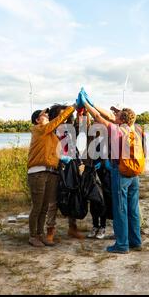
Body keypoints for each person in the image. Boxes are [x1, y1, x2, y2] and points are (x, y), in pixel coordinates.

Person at [80, 91, 145, 254]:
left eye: (117, 116)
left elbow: (98, 117)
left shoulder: (118, 130)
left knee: (120, 209)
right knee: (133, 209)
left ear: (122, 119)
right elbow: (106, 114)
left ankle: (122, 244)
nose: (114, 117)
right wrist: (93, 104)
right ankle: (135, 241)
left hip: (121, 172)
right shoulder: (135, 130)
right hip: (134, 173)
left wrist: (87, 104)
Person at [27, 103, 76, 248]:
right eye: (44, 115)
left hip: (50, 172)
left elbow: (57, 150)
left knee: (44, 207)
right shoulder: (39, 129)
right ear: (37, 120)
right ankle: (32, 236)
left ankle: (40, 234)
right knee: (37, 207)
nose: (47, 116)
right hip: (37, 173)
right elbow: (57, 121)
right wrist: (71, 107)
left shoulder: (50, 134)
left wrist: (62, 158)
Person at [45, 104, 85, 243]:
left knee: (72, 195)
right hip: (55, 167)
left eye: (67, 115)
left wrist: (80, 112)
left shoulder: (70, 129)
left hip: (71, 167)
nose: (65, 118)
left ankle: (72, 228)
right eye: (62, 115)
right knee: (53, 201)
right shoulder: (50, 131)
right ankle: (50, 231)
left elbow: (81, 126)